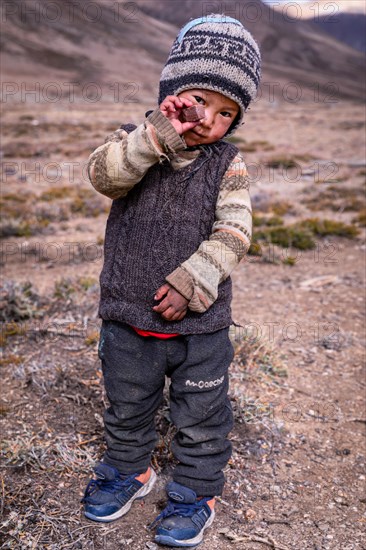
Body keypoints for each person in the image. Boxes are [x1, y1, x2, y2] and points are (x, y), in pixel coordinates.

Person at [82, 14, 261, 548]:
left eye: (229, 112)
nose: (213, 118)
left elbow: (235, 231)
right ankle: (129, 471)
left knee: (203, 413)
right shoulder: (132, 146)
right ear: (172, 93)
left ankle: (196, 491)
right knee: (127, 402)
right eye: (203, 101)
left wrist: (193, 282)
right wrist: (155, 137)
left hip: (201, 326)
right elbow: (104, 177)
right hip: (127, 316)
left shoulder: (228, 165)